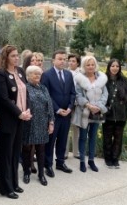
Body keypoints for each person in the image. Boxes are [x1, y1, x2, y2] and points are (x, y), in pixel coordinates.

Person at [0, 45, 32, 199]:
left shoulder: (21, 71)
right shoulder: (1, 74)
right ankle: (5, 187)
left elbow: (26, 91)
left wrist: (28, 110)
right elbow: (4, 99)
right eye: (13, 56)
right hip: (9, 119)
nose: (17, 58)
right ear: (6, 57)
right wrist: (19, 113)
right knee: (6, 154)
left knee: (16, 153)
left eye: (18, 55)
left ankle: (15, 183)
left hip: (21, 118)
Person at [41, 49, 76, 177]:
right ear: (53, 60)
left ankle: (60, 162)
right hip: (53, 114)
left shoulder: (68, 74)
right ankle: (48, 165)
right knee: (51, 141)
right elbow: (46, 95)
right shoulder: (47, 75)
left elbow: (73, 93)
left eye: (64, 59)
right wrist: (57, 109)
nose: (63, 61)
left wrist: (70, 107)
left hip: (66, 114)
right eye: (60, 59)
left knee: (63, 139)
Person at [72, 56, 108, 172]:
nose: (90, 67)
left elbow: (105, 95)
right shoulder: (80, 79)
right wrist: (88, 105)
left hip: (97, 113)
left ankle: (91, 161)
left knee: (93, 137)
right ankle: (82, 161)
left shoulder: (102, 79)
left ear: (95, 65)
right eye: (88, 65)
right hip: (85, 112)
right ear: (84, 66)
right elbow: (78, 95)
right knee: (83, 137)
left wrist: (98, 107)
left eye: (92, 64)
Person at [22, 65, 54, 186]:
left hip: (42, 123)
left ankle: (41, 174)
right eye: (34, 74)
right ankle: (26, 172)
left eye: (39, 74)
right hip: (28, 123)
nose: (37, 76)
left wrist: (51, 122)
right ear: (28, 75)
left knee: (41, 150)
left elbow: (49, 105)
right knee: (26, 149)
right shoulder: (24, 88)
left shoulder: (43, 88)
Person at [103, 59, 127, 168]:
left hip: (122, 114)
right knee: (107, 138)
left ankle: (115, 159)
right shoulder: (103, 80)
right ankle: (107, 159)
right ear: (109, 67)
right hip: (108, 114)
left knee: (118, 138)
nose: (115, 68)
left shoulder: (124, 80)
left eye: (117, 66)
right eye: (113, 66)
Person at [65, 53, 81, 159]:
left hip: (78, 104)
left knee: (77, 128)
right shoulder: (65, 73)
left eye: (73, 61)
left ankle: (76, 152)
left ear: (78, 63)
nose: (71, 63)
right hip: (67, 104)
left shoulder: (82, 74)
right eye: (69, 61)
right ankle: (65, 152)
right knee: (66, 129)